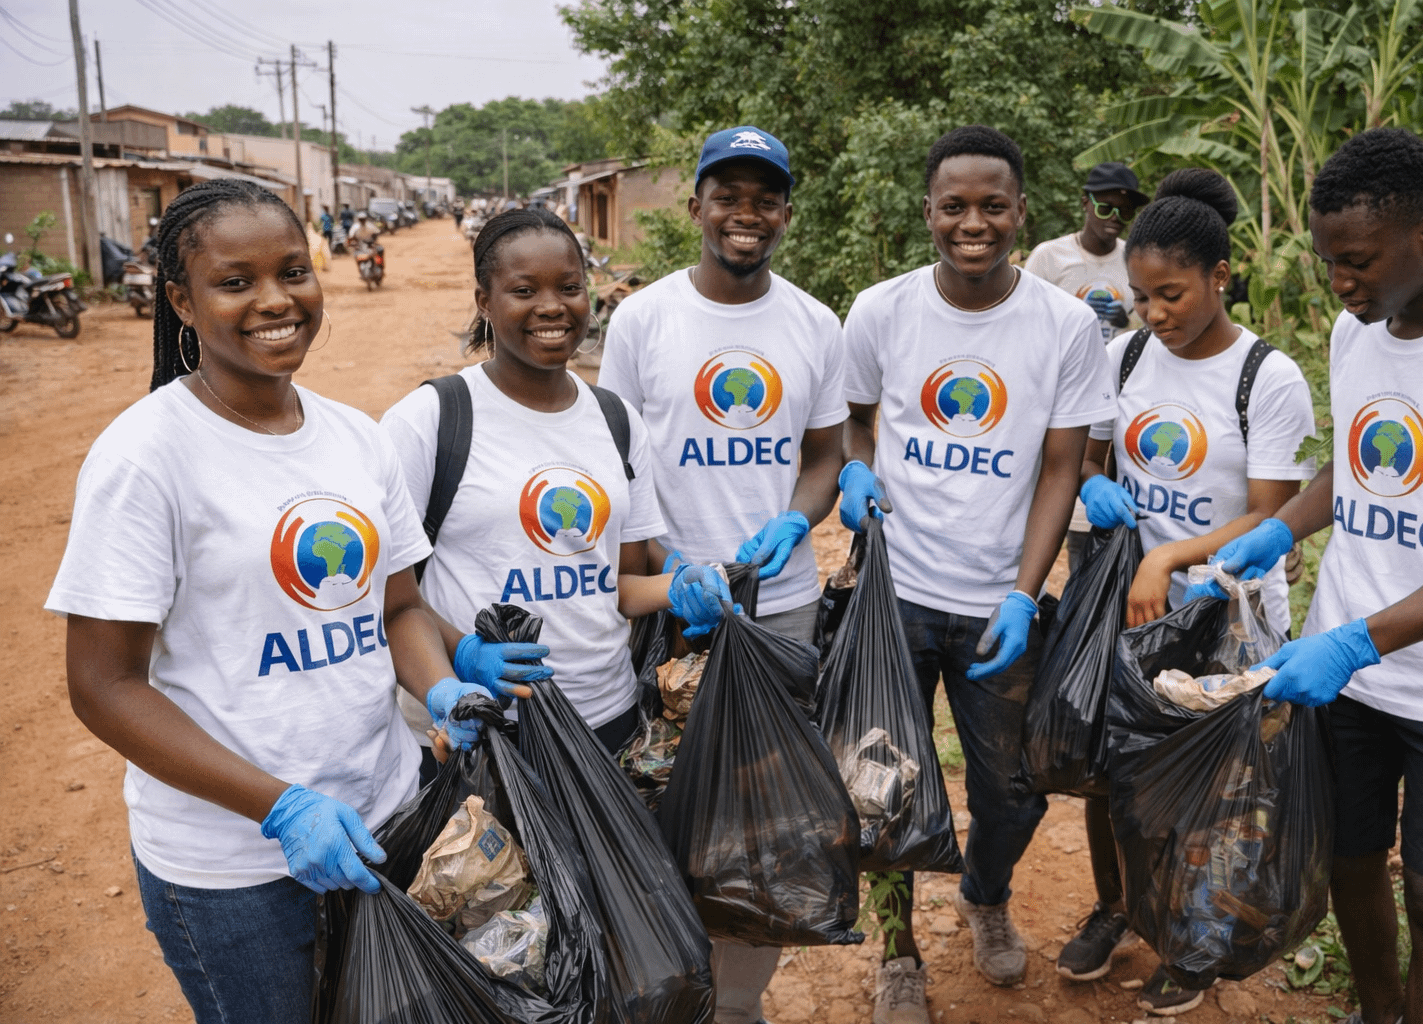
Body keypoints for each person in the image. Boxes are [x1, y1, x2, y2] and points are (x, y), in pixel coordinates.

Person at [43, 179, 510, 1024]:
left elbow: (398, 609)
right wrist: (281, 807)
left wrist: (440, 684)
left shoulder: (355, 438)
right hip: (236, 875)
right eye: (236, 282)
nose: (275, 300)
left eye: (294, 272)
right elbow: (103, 686)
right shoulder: (145, 457)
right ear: (181, 302)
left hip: (389, 820)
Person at [1211, 127, 1423, 1024]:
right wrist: (1279, 529)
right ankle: (1378, 1012)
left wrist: (1361, 641)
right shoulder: (1356, 332)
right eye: (1329, 262)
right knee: (1347, 862)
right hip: (1347, 677)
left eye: (1356, 261)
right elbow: (1354, 463)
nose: (1339, 283)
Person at [842, 125, 1117, 1024]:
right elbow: (853, 422)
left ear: (1021, 212)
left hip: (998, 602)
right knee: (879, 786)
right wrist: (856, 468)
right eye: (954, 205)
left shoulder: (1065, 325)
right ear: (928, 211)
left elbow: (1062, 467)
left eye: (992, 205)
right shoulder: (881, 310)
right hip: (892, 597)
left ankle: (984, 893)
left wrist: (1023, 592)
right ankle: (898, 953)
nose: (973, 223)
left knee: (1015, 792)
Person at [598, 124, 847, 1024]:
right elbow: (611, 456)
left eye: (765, 199)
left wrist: (799, 517)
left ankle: (738, 1004)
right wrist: (667, 565)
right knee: (653, 795)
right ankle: (668, 985)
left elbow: (826, 454)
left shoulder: (814, 323)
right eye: (728, 197)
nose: (747, 214)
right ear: (697, 207)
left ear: (786, 214)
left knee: (761, 816)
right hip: (664, 608)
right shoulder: (644, 319)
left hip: (780, 612)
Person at [1057, 168, 1316, 1014]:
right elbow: (1093, 457)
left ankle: (1191, 939)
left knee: (1215, 788)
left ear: (1220, 277)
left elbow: (1271, 511)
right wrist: (1097, 484)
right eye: (1141, 298)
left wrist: (1169, 557)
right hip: (1138, 610)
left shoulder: (1266, 378)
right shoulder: (1124, 356)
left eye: (1171, 295)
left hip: (1226, 615)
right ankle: (1120, 906)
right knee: (1114, 767)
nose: (1154, 314)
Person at [381, 207, 734, 776]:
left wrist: (678, 586)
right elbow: (388, 596)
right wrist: (460, 660)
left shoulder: (616, 420)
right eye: (524, 291)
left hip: (607, 718)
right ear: (484, 301)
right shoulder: (430, 419)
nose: (552, 307)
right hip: (481, 732)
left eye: (569, 288)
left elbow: (619, 584)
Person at [1024, 162, 1153, 575]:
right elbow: (1024, 322)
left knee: (1092, 490)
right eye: (1105, 207)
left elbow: (1152, 327)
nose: (1114, 218)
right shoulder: (1050, 257)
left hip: (1114, 393)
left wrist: (1125, 321)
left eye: (1124, 212)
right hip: (1056, 392)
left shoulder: (1134, 259)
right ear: (1085, 203)